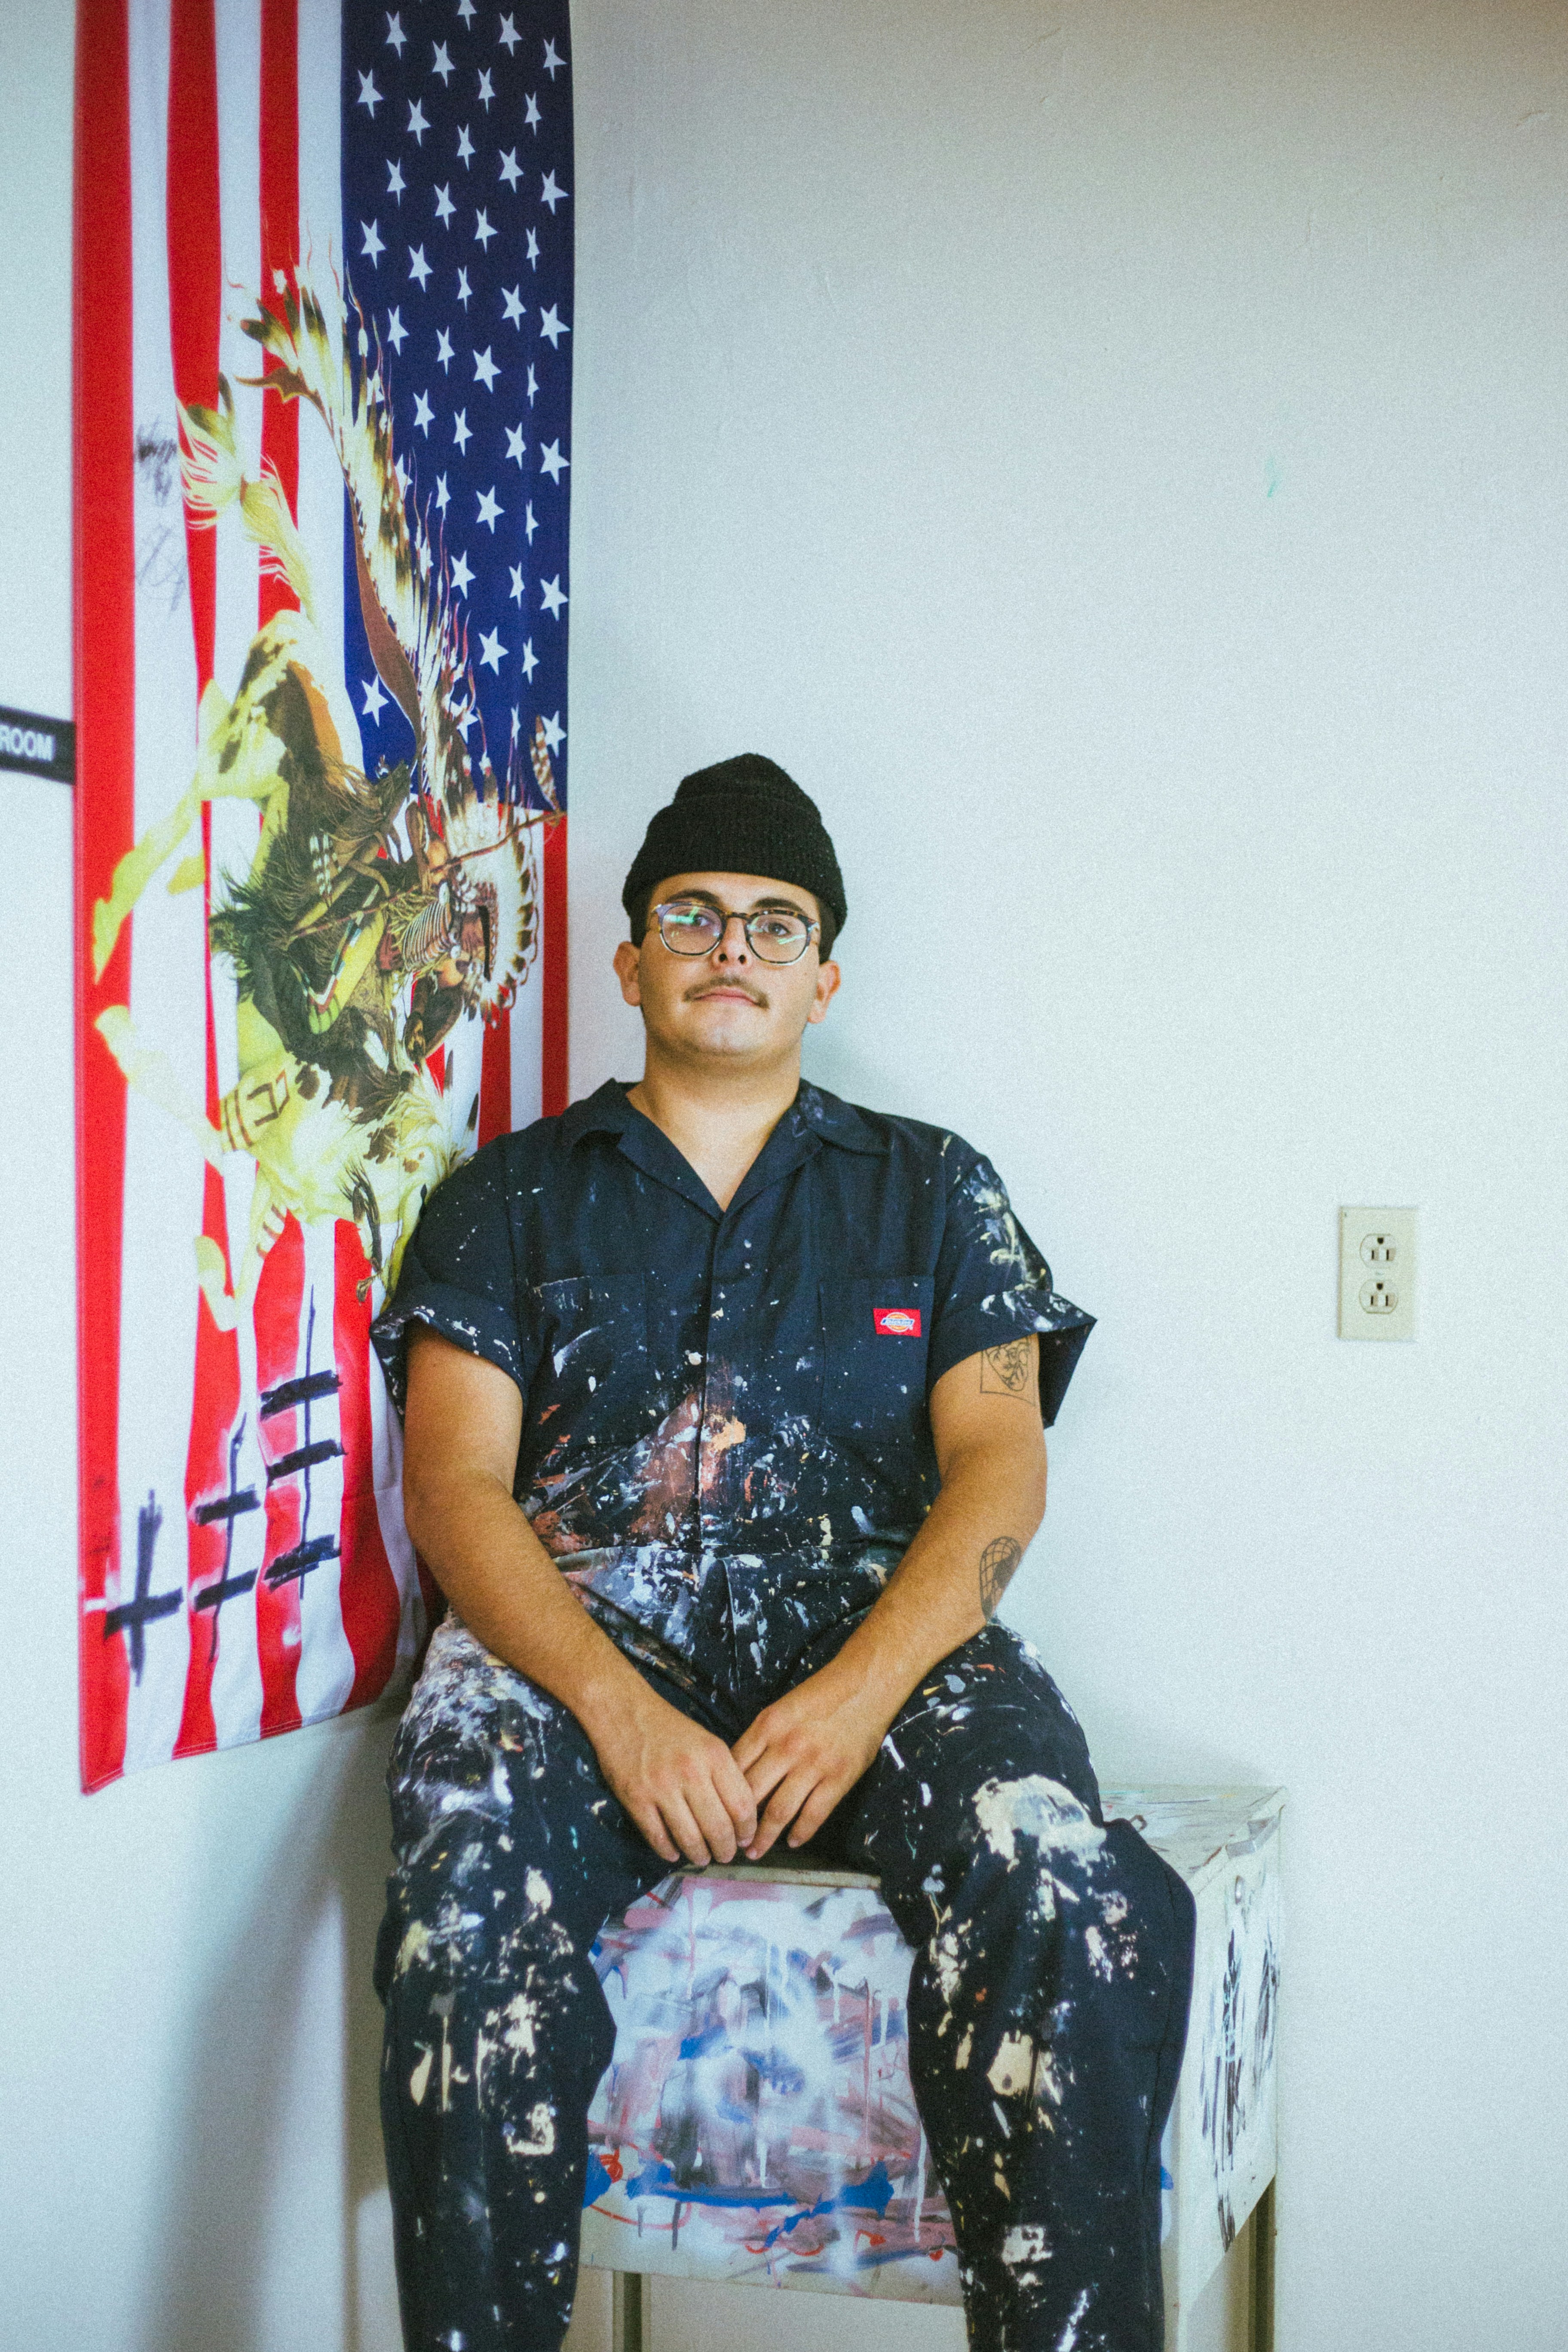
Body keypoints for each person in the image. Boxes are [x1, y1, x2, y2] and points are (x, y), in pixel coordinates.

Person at [370, 753, 1196, 2352]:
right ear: (631, 960)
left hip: (877, 1638)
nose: (730, 946)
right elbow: (455, 1487)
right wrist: (617, 1712)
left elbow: (1000, 1466)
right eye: (692, 914)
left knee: (1068, 1879)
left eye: (774, 921)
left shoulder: (937, 1191)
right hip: (577, 1650)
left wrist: (863, 1698)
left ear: (825, 972)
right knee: (464, 1906)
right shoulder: (508, 1203)